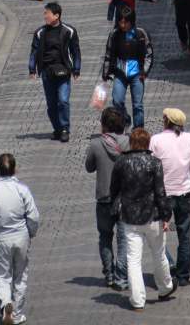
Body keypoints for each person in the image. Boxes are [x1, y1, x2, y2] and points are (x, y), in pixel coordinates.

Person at [109, 128, 176, 310]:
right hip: (152, 215)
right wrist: (166, 215)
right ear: (147, 143)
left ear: (131, 143)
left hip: (130, 217)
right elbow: (160, 192)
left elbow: (113, 189)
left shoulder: (122, 162)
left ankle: (138, 300)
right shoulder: (154, 163)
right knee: (159, 253)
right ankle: (165, 287)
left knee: (133, 259)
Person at [0, 153, 39, 325]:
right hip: (21, 236)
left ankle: (6, 303)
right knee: (20, 275)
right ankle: (17, 313)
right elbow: (33, 216)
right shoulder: (22, 190)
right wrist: (31, 232)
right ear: (14, 169)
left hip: (1, 237)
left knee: (2, 275)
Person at [150, 108, 190, 287]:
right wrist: (186, 168)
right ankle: (183, 275)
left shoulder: (156, 140)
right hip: (184, 192)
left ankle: (165, 269)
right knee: (184, 233)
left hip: (163, 193)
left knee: (158, 234)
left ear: (166, 121)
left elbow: (150, 164)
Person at [85, 107, 129, 290]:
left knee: (105, 236)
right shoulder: (128, 142)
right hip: (124, 197)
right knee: (123, 238)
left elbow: (89, 167)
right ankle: (121, 277)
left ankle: (109, 274)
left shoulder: (95, 144)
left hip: (104, 197)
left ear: (103, 125)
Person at [28, 2, 81, 143]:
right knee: (51, 104)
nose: (45, 16)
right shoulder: (40, 33)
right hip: (47, 72)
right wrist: (32, 68)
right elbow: (34, 51)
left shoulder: (69, 31)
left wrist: (76, 68)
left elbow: (76, 51)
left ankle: (64, 128)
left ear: (56, 15)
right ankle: (57, 128)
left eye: (47, 13)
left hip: (63, 71)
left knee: (63, 101)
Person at [103, 7, 153, 128]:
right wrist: (106, 73)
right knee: (117, 100)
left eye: (126, 22)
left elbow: (149, 55)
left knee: (138, 105)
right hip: (120, 72)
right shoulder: (114, 35)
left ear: (132, 21)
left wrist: (144, 71)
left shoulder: (141, 34)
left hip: (137, 73)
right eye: (120, 22)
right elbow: (109, 54)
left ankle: (138, 129)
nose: (123, 25)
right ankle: (125, 118)